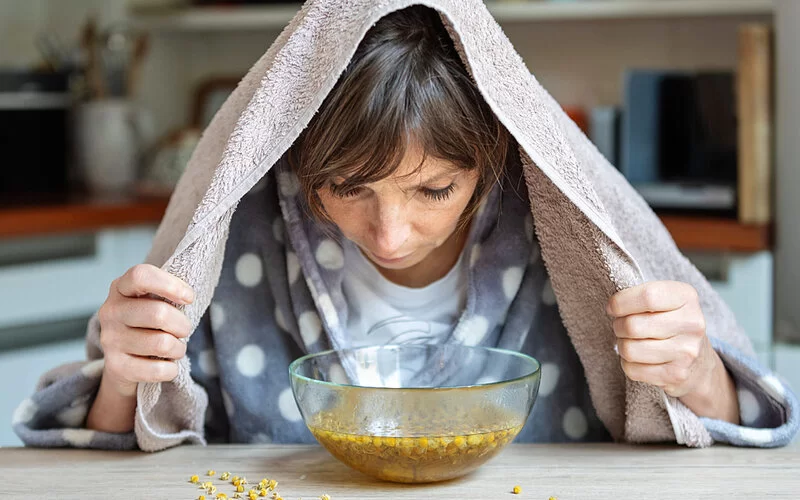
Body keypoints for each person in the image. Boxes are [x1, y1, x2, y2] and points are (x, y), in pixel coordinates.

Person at [14, 5, 797, 449]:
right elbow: (117, 455)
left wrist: (694, 374)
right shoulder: (238, 237)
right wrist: (127, 372)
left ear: (492, 163)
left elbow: (745, 435)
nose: (389, 234)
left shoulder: (565, 243)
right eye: (348, 186)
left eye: (433, 189)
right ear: (296, 160)